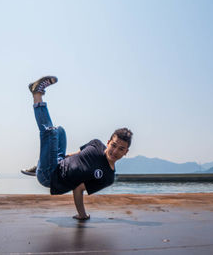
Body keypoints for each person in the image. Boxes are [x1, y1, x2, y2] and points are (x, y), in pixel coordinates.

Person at [22, 75, 133, 220]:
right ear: (108, 142)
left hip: (51, 177)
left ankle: (37, 93)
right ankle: (39, 166)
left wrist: (82, 215)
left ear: (126, 152)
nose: (115, 151)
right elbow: (76, 155)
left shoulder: (108, 176)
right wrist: (49, 157)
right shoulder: (96, 143)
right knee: (60, 131)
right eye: (114, 145)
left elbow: (79, 189)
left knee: (50, 133)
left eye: (121, 149)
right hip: (58, 163)